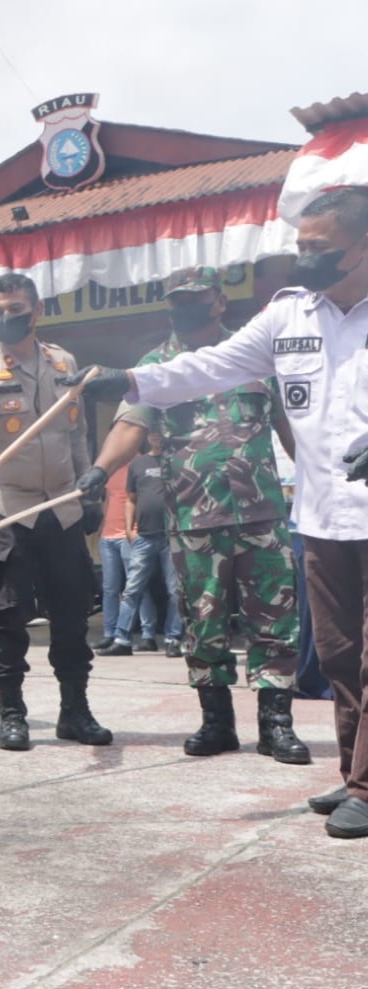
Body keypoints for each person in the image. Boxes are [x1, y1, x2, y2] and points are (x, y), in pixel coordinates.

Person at [68, 188, 368, 834]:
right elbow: (205, 369)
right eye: (301, 247)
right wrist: (128, 380)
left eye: (320, 250)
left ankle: (366, 789)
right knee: (341, 655)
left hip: (321, 516)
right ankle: (354, 775)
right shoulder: (286, 320)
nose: (303, 260)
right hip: (319, 521)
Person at [75, 265, 307, 766]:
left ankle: (276, 725)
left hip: (262, 515)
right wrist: (99, 470)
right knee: (204, 624)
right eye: (177, 301)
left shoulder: (256, 355)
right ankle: (217, 723)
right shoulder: (156, 364)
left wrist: (317, 478)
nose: (186, 308)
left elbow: (292, 429)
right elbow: (130, 427)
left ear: (219, 302)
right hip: (193, 521)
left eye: (196, 299)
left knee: (275, 620)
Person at [0, 272, 112, 752]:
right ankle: (12, 715)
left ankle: (75, 711)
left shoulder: (62, 361)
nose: (7, 318)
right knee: (5, 619)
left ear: (37, 310)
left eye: (16, 309)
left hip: (62, 504)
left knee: (71, 615)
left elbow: (75, 433)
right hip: (10, 507)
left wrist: (91, 490)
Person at [99, 431, 184, 657]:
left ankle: (173, 638)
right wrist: (129, 528)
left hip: (171, 535)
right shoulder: (138, 464)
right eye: (152, 432)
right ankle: (121, 639)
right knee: (132, 589)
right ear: (147, 436)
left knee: (175, 590)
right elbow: (131, 498)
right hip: (144, 536)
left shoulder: (177, 460)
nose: (156, 436)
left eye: (160, 432)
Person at [93, 465, 131, 651]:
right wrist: (102, 527)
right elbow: (109, 499)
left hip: (128, 535)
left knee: (135, 589)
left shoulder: (139, 464)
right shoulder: (111, 468)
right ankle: (110, 633)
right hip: (108, 536)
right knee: (109, 589)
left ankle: (141, 634)